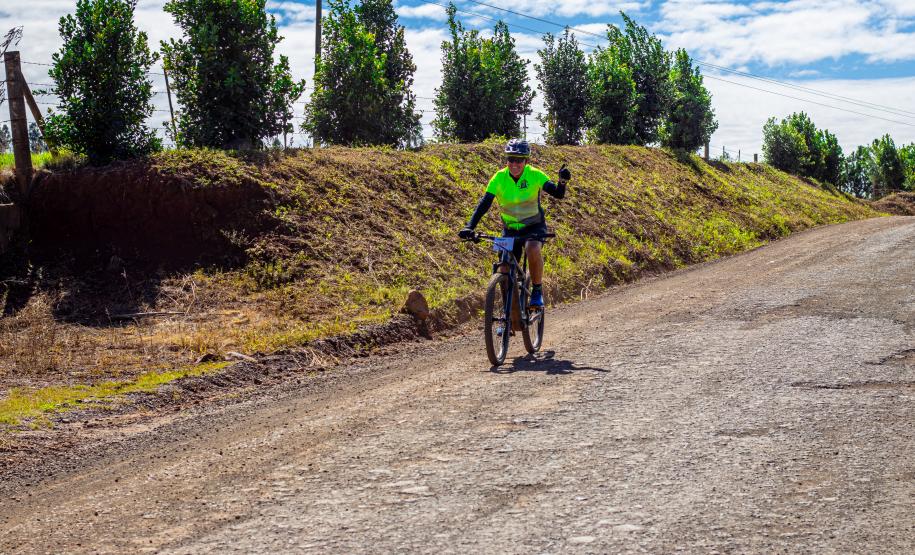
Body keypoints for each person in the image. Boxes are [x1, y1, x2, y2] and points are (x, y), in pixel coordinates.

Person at [459, 138, 571, 308]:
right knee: (503, 267)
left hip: (534, 226)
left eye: (519, 160)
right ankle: (508, 312)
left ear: (526, 161)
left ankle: (537, 291)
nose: (514, 163)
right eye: (511, 159)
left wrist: (562, 182)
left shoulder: (535, 175)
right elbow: (484, 204)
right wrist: (469, 226)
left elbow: (557, 194)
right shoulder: (499, 178)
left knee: (532, 248)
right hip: (510, 229)